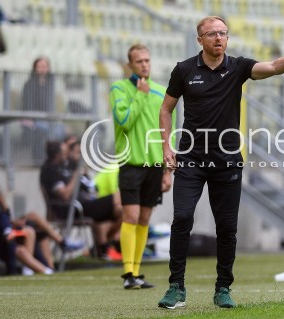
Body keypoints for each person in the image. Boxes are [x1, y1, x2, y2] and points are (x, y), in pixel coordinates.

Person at [157, 16, 284, 309]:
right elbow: (166, 109)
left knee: (227, 227)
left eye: (223, 33)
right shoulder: (184, 70)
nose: (218, 38)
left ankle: (223, 289)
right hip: (190, 158)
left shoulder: (239, 67)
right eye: (212, 34)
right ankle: (176, 287)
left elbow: (272, 67)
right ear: (200, 39)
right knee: (181, 219)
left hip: (227, 160)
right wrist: (166, 147)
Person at [110, 44, 175, 290]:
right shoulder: (119, 89)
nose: (144, 65)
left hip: (155, 165)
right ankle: (128, 272)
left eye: (147, 60)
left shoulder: (161, 92)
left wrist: (168, 170)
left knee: (145, 217)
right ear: (130, 66)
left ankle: (136, 273)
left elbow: (169, 132)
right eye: (139, 61)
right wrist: (140, 94)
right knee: (131, 215)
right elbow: (124, 121)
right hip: (131, 163)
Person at [40, 141, 123, 259]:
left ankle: (104, 247)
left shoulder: (65, 168)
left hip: (84, 204)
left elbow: (90, 188)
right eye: (64, 153)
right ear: (57, 155)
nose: (66, 155)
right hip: (72, 208)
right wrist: (76, 175)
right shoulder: (50, 171)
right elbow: (64, 195)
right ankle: (106, 246)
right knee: (121, 199)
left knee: (123, 206)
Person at [22, 57, 66, 165]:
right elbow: (26, 104)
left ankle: (56, 160)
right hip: (35, 118)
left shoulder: (50, 84)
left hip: (48, 118)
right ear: (35, 68)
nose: (42, 69)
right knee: (43, 131)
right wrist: (28, 118)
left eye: (45, 66)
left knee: (62, 131)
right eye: (40, 66)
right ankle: (39, 160)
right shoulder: (29, 84)